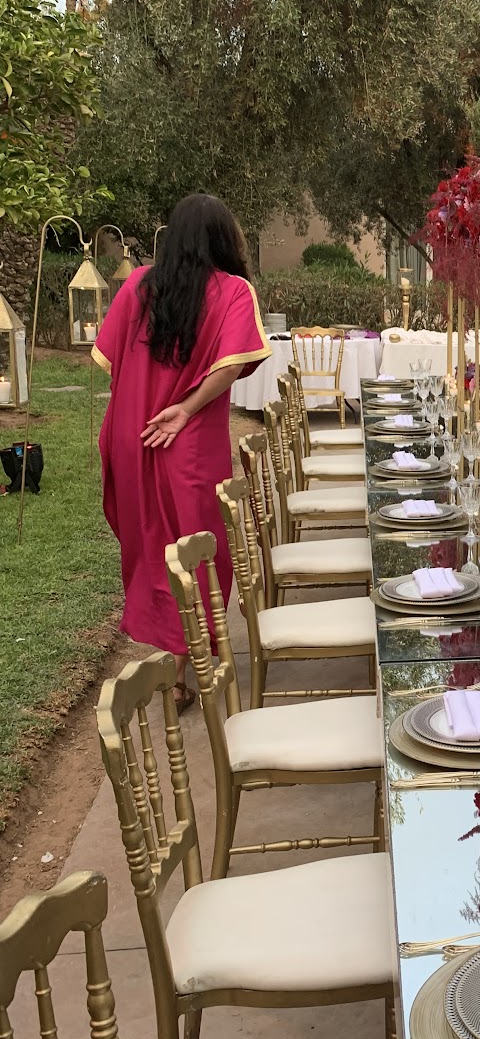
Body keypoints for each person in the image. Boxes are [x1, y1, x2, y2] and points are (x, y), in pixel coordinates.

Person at [93, 194, 271, 706]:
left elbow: (106, 357)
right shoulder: (232, 290)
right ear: (223, 238)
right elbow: (231, 365)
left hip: (133, 434)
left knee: (153, 547)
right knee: (194, 550)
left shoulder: (138, 285)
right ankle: (181, 667)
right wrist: (187, 407)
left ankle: (173, 668)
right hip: (188, 442)